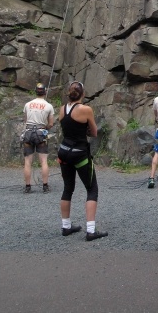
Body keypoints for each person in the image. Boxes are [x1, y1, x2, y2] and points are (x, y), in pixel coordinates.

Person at [58, 81, 108, 241]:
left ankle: (66, 226)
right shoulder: (86, 109)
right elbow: (93, 132)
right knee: (92, 189)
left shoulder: (61, 109)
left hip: (64, 152)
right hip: (79, 153)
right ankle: (91, 230)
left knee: (68, 188)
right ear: (83, 94)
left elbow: (67, 128)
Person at [22, 82, 54, 193]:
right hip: (41, 133)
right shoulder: (49, 106)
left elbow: (25, 120)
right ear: (45, 92)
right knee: (44, 161)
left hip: (28, 133)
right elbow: (51, 124)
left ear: (35, 92)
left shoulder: (27, 104)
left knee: (27, 162)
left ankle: (27, 187)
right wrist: (44, 126)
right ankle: (45, 186)